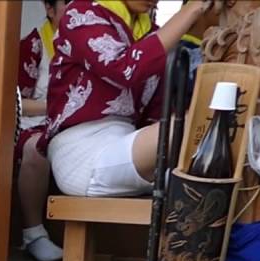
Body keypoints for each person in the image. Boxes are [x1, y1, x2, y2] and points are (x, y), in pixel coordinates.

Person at [46, 0, 216, 198]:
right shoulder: (81, 12)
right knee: (197, 124)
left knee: (212, 124)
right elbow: (124, 69)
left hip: (129, 144)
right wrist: (192, 9)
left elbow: (156, 108)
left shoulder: (150, 31)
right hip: (82, 150)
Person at [15, 0, 67, 261]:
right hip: (36, 124)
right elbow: (16, 102)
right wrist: (57, 107)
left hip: (74, 123)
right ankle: (33, 234)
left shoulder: (90, 40)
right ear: (49, 8)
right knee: (35, 149)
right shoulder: (33, 44)